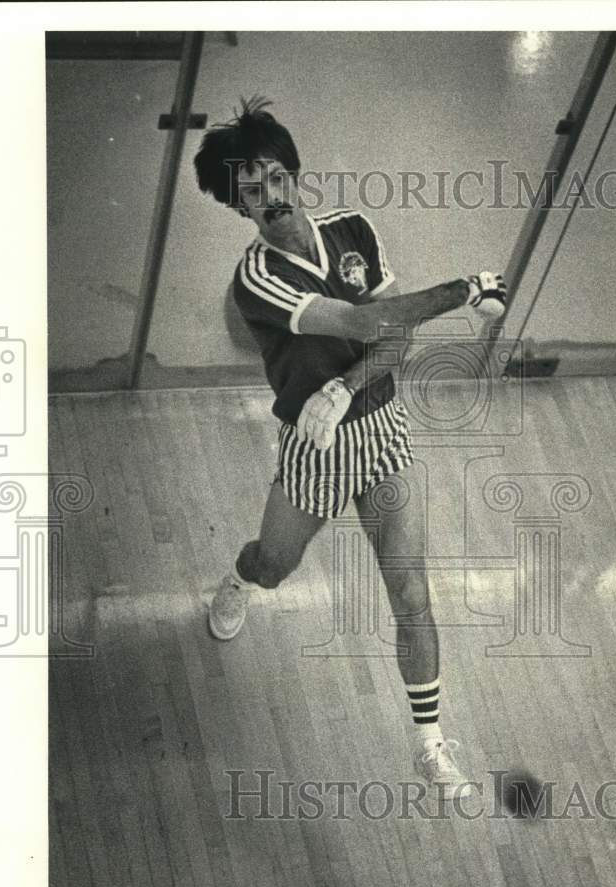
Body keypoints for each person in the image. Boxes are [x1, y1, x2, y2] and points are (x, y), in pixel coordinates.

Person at [193, 97, 506, 799]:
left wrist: (347, 388)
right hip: (315, 446)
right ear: (238, 206)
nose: (269, 197)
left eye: (275, 178)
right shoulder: (256, 278)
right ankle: (240, 580)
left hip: (382, 429)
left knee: (411, 591)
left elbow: (396, 337)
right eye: (250, 190)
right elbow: (370, 318)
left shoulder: (355, 229)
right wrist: (470, 287)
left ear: (293, 176)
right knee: (275, 564)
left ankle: (430, 746)